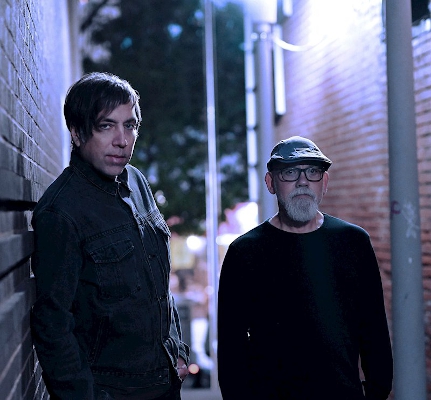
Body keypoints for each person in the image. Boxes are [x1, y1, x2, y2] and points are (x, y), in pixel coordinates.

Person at [31, 72, 189, 400]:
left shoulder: (137, 182)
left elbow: (157, 282)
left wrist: (177, 350)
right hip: (111, 390)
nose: (122, 140)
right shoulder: (60, 212)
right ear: (77, 133)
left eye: (129, 125)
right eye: (106, 126)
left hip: (164, 382)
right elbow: (52, 324)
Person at [217, 136, 393, 400]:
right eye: (290, 172)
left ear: (325, 183)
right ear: (270, 183)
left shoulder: (353, 242)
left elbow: (373, 329)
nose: (303, 181)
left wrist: (377, 393)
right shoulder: (244, 252)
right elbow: (232, 347)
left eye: (312, 171)